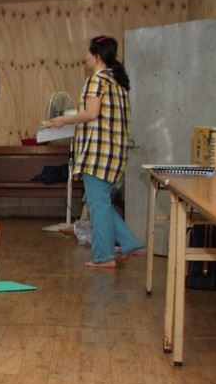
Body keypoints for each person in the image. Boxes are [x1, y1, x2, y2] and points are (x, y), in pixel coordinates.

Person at [42, 35, 144, 269]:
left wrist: (63, 120)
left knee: (98, 207)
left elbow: (91, 114)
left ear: (97, 56)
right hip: (114, 154)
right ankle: (130, 243)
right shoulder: (118, 82)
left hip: (98, 155)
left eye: (88, 52)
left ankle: (104, 257)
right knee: (100, 202)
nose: (84, 57)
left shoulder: (96, 81)